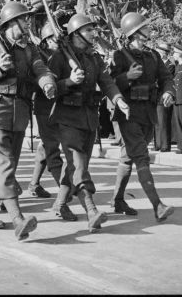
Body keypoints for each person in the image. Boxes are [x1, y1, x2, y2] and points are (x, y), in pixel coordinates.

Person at [0, 2, 57, 240]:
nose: (28, 22)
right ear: (11, 23)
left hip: (19, 112)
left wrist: (47, 83)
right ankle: (18, 219)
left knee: (3, 166)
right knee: (4, 166)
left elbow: (40, 69)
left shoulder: (30, 49)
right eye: (23, 19)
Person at [48, 13, 129, 231]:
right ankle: (91, 210)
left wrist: (118, 99)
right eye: (89, 30)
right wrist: (68, 81)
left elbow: (106, 82)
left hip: (89, 118)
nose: (94, 33)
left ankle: (60, 203)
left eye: (93, 29)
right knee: (79, 166)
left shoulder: (94, 57)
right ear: (76, 34)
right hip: (66, 118)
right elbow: (49, 87)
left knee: (75, 166)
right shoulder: (58, 57)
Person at [109, 12, 175, 220]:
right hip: (128, 113)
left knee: (128, 158)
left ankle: (118, 200)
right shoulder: (119, 56)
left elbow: (166, 78)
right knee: (141, 157)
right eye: (145, 27)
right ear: (136, 33)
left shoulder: (153, 55)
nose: (149, 30)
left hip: (148, 113)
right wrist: (126, 77)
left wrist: (168, 91)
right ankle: (158, 205)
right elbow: (108, 83)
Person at [26, 22, 77, 220]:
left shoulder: (64, 54)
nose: (60, 42)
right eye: (56, 39)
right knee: (52, 150)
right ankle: (65, 189)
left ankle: (34, 184)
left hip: (61, 107)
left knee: (45, 148)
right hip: (45, 108)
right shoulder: (41, 57)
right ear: (47, 40)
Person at [154, 41, 175, 152]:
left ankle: (165, 145)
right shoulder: (157, 65)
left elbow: (165, 79)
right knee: (157, 122)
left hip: (164, 95)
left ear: (164, 53)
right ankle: (157, 144)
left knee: (163, 122)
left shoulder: (170, 66)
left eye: (160, 51)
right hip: (156, 95)